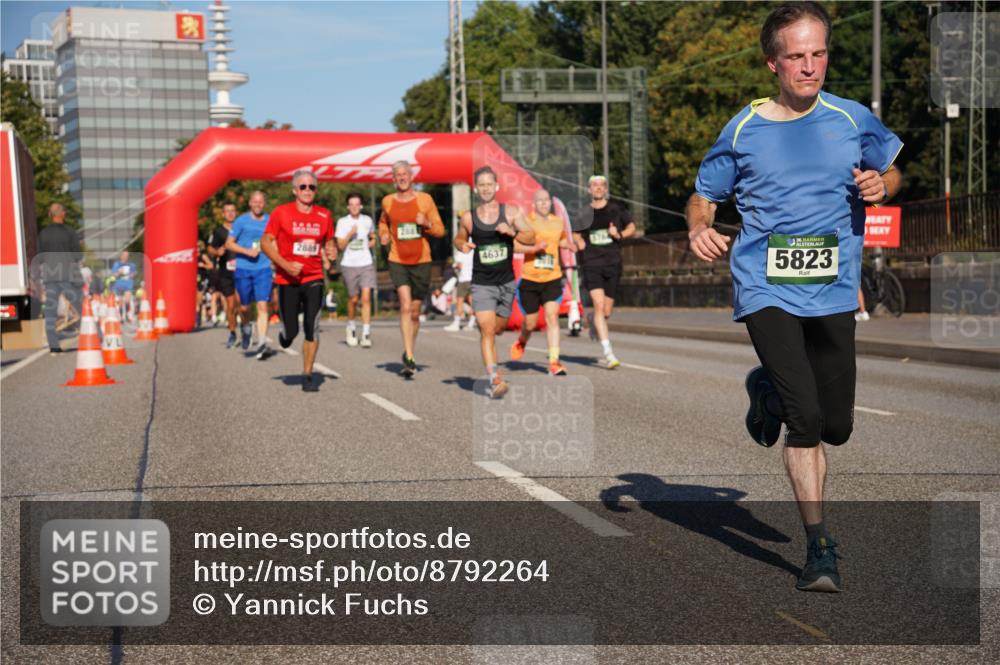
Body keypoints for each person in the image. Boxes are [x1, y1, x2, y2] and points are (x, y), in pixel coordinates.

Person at [687, 1, 903, 593]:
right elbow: (704, 195)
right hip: (765, 286)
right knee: (806, 419)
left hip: (833, 288)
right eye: (796, 57)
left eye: (819, 54)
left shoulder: (852, 117)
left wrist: (883, 184)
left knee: (836, 426)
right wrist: (698, 226)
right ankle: (819, 545)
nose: (810, 67)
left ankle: (766, 392)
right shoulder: (743, 128)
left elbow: (893, 171)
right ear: (772, 63)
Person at [453, 166, 535, 399]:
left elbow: (531, 236)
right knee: (487, 329)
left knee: (498, 328)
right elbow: (459, 236)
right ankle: (494, 379)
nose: (486, 188)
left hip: (506, 282)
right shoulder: (469, 217)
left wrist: (512, 232)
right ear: (476, 189)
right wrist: (462, 244)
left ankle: (495, 369)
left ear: (496, 187)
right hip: (482, 283)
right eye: (482, 185)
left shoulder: (510, 212)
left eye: (490, 184)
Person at [261, 170, 337, 392]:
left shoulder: (324, 215)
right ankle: (286, 335)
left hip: (314, 277)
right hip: (287, 280)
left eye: (311, 187)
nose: (307, 191)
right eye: (303, 187)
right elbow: (265, 243)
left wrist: (332, 251)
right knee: (292, 331)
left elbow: (329, 242)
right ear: (295, 190)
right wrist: (284, 265)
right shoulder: (281, 213)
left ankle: (307, 374)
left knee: (312, 326)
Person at [378, 160, 446, 377]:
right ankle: (409, 357)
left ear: (411, 176)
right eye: (397, 174)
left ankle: (410, 350)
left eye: (405, 173)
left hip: (421, 261)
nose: (402, 177)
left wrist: (426, 223)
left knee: (415, 313)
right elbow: (382, 222)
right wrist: (384, 234)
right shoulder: (387, 201)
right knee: (406, 307)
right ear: (393, 178)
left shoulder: (425, 200)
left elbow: (440, 230)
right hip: (397, 259)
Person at [510, 189, 576, 376]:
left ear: (550, 203)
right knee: (530, 324)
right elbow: (514, 245)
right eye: (540, 201)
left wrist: (569, 245)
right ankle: (522, 341)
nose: (544, 204)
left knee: (551, 318)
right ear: (534, 204)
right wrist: (534, 248)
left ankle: (554, 362)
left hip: (552, 278)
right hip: (530, 279)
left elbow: (561, 241)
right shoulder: (527, 222)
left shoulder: (558, 222)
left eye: (546, 200)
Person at [573, 175, 635, 369]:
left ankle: (592, 319)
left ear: (606, 189)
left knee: (606, 312)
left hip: (613, 262)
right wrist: (578, 240)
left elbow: (632, 227)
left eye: (602, 185)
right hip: (591, 263)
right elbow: (575, 231)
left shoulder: (616, 209)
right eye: (594, 185)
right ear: (589, 190)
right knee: (599, 306)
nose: (598, 188)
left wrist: (620, 234)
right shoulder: (584, 213)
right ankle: (609, 353)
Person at [225, 191, 276, 358]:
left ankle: (261, 342)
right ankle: (246, 327)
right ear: (249, 203)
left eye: (261, 202)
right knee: (244, 307)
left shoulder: (270, 221)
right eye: (255, 201)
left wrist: (275, 259)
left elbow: (274, 241)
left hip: (263, 269)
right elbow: (229, 244)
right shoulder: (241, 221)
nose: (258, 204)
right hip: (244, 268)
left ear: (264, 203)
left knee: (262, 305)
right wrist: (246, 251)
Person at [36, 203, 83, 353]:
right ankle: (91, 337)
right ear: (62, 214)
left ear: (50, 215)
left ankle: (54, 346)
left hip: (50, 277)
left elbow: (40, 257)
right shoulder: (70, 232)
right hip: (68, 275)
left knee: (50, 312)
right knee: (80, 306)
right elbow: (78, 255)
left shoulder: (43, 234)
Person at [335, 192, 377, 348]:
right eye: (351, 204)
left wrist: (371, 243)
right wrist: (350, 234)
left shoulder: (367, 220)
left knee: (366, 298)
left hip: (366, 263)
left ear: (361, 206)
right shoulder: (342, 222)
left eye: (357, 204)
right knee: (353, 299)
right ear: (348, 206)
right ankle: (351, 327)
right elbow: (340, 246)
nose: (354, 207)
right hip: (349, 264)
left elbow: (373, 236)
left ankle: (366, 333)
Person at [209, 203, 240, 348]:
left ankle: (245, 329)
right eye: (227, 211)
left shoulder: (241, 228)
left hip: (242, 270)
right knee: (231, 304)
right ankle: (233, 333)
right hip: (226, 272)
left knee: (242, 303)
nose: (230, 213)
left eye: (232, 211)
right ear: (223, 214)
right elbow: (210, 247)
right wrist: (217, 252)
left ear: (236, 212)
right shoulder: (218, 231)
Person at [444, 242, 475, 331]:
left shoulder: (461, 252)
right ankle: (471, 324)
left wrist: (455, 265)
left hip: (463, 279)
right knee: (472, 302)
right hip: (472, 278)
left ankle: (456, 323)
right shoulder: (473, 251)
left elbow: (458, 265)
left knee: (459, 302)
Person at [110, 249, 137, 322]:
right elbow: (114, 274)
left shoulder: (131, 265)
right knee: (121, 302)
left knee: (127, 301)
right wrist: (119, 272)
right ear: (121, 256)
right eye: (124, 255)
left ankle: (128, 315)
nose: (126, 257)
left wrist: (132, 275)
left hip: (128, 285)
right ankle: (121, 317)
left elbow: (134, 274)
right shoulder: (117, 264)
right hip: (119, 285)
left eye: (127, 255)